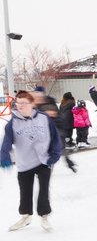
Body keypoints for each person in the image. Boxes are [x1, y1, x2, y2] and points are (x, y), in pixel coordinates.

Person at [2, 91, 63, 232]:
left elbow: (55, 137)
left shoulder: (44, 118)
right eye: (18, 103)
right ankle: (26, 216)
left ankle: (44, 216)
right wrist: (4, 156)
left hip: (44, 160)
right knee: (25, 191)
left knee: (43, 190)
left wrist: (55, 154)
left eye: (24, 103)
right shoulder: (12, 123)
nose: (21, 106)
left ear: (32, 104)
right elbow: (6, 142)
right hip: (24, 162)